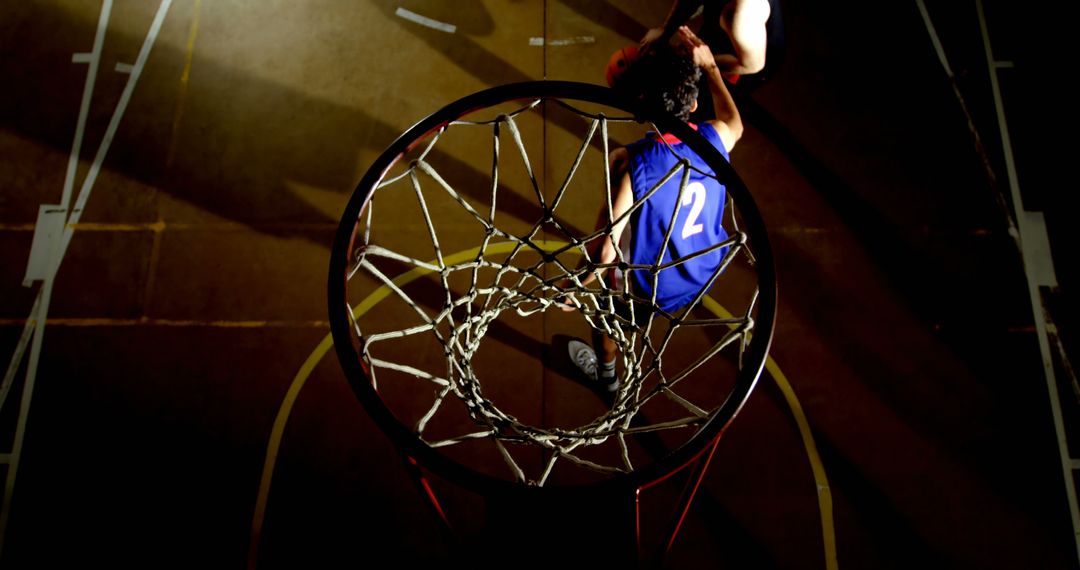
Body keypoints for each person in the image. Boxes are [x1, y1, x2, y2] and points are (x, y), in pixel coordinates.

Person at [564, 26, 743, 392]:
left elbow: (605, 249)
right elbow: (734, 121)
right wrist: (710, 69)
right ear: (693, 105)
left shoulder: (632, 163)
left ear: (640, 106)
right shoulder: (716, 137)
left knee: (608, 315)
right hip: (701, 267)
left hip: (654, 286)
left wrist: (575, 285)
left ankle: (608, 377)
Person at [640, 0, 784, 91]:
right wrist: (666, 29)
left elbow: (753, 65)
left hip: (745, 61)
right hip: (724, 32)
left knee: (697, 106)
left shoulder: (740, 13)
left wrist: (696, 61)